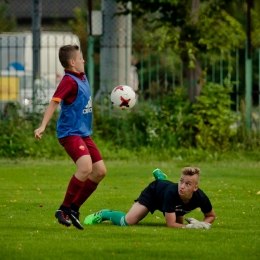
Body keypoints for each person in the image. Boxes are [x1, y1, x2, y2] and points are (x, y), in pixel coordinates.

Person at [34, 44, 106, 230]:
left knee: (99, 172)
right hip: (70, 133)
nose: (84, 60)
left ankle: (74, 208)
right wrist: (43, 125)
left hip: (83, 134)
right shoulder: (68, 81)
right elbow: (53, 103)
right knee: (85, 168)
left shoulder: (82, 77)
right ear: (73, 62)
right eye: (81, 57)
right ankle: (63, 209)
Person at [84, 167, 215, 229]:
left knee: (179, 225)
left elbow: (211, 216)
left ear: (195, 188)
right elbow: (170, 224)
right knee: (128, 222)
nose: (182, 186)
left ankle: (162, 179)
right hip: (154, 193)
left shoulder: (201, 197)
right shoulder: (172, 192)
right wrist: (191, 227)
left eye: (188, 184)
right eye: (181, 181)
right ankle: (105, 213)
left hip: (168, 197)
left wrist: (202, 224)